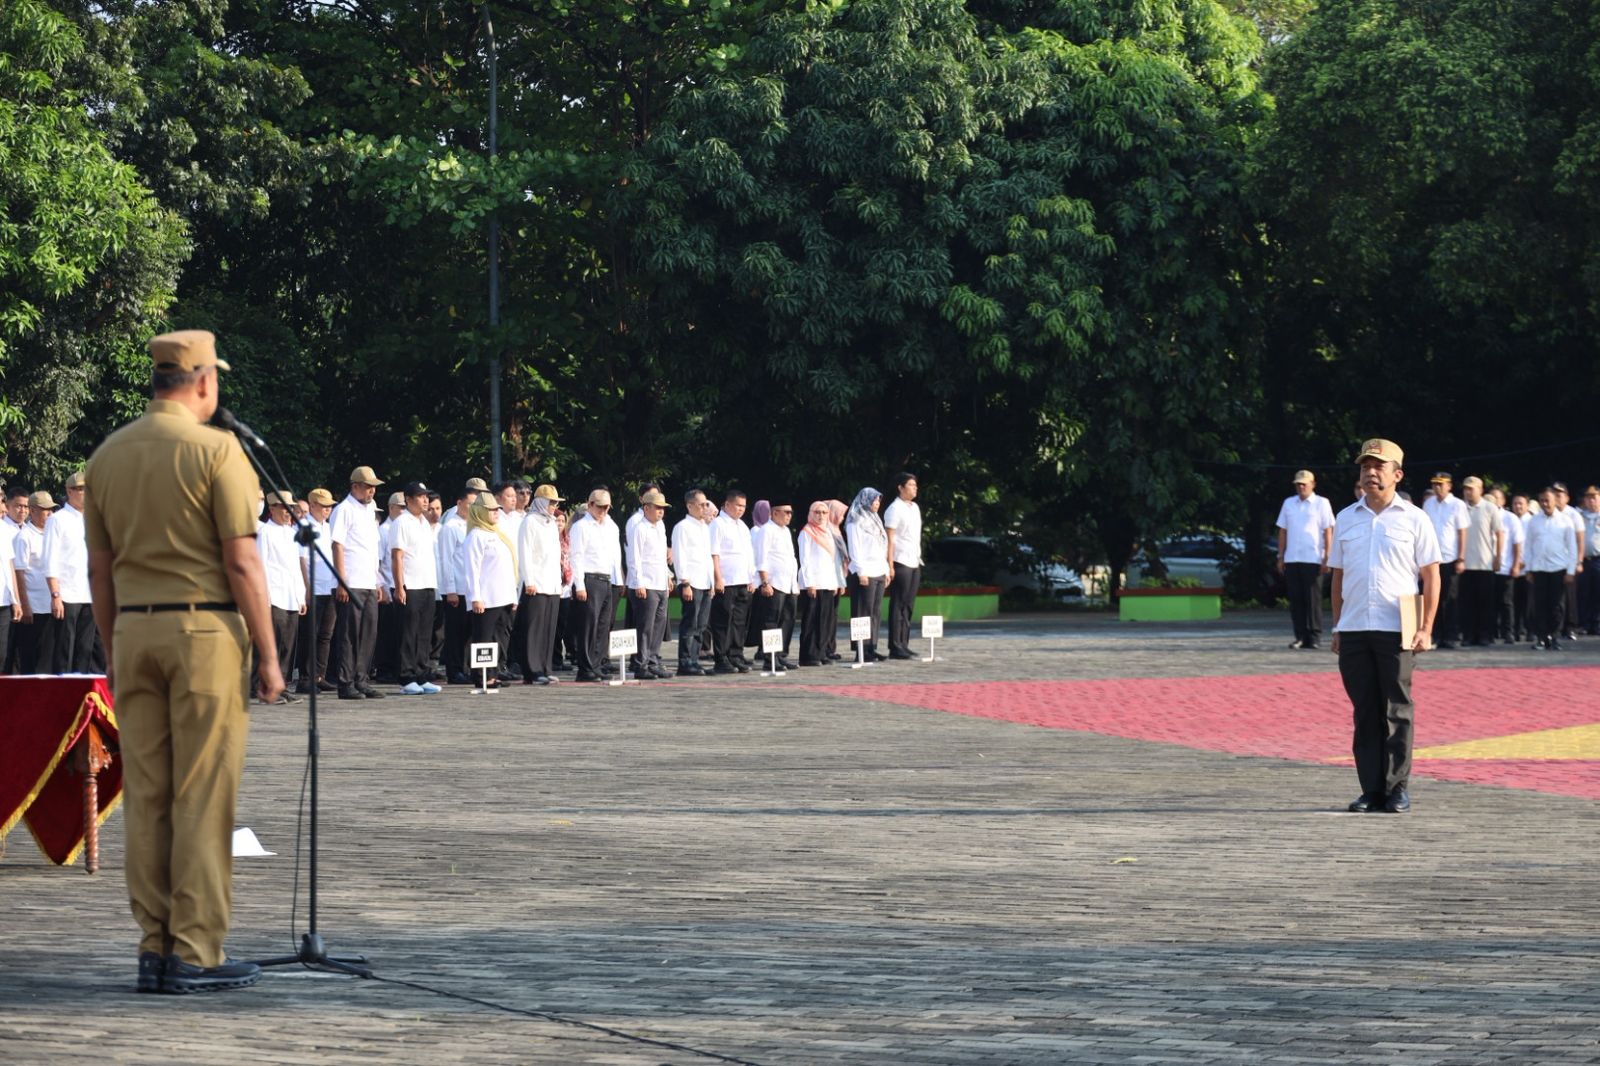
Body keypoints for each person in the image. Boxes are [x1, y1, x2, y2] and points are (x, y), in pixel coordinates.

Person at [83, 328, 280, 994]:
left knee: (148, 795)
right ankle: (195, 950)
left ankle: (154, 945)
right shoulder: (217, 450)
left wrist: (113, 648)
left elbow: (100, 570)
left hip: (134, 634)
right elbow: (242, 560)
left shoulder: (108, 456)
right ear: (202, 381)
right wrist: (271, 655)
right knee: (202, 792)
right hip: (203, 634)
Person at [1329, 438, 1440, 816]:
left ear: (1397, 474)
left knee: (1397, 709)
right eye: (1365, 467)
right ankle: (1371, 790)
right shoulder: (1345, 517)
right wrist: (1337, 626)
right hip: (1356, 626)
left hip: (1398, 627)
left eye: (1379, 467)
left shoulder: (1414, 518)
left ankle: (1397, 789)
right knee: (1364, 711)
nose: (1370, 473)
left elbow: (1431, 575)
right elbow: (1337, 578)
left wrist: (1426, 627)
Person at [330, 465, 386, 700]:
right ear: (355, 487)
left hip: (368, 580)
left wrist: (378, 581)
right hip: (351, 580)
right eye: (367, 487)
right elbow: (337, 545)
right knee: (349, 634)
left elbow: (372, 549)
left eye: (374, 487)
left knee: (368, 632)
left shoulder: (370, 509)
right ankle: (346, 681)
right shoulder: (344, 510)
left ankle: (361, 679)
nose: (372, 492)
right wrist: (342, 581)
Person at [42, 470, 100, 672]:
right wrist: (55, 594)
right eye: (82, 489)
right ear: (69, 491)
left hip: (90, 593)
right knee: (65, 648)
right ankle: (63, 695)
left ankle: (82, 696)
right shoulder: (58, 520)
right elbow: (49, 560)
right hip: (67, 594)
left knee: (85, 649)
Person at [1275, 470, 1335, 650]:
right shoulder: (1289, 503)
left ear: (1313, 484)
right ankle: (1300, 636)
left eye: (1304, 484)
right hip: (1293, 557)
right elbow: (1283, 531)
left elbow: (1328, 531)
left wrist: (1327, 557)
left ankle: (1315, 636)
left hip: (1313, 557)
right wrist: (1280, 556)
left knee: (1313, 599)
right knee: (1296, 599)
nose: (1301, 487)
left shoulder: (1321, 503)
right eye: (1298, 484)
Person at [568, 487, 623, 682]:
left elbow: (616, 555)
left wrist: (619, 579)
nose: (603, 511)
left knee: (603, 625)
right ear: (590, 505)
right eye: (599, 507)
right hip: (589, 578)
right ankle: (585, 667)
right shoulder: (581, 526)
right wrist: (579, 585)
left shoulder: (611, 526)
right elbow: (576, 557)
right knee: (588, 625)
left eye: (607, 507)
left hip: (607, 578)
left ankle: (597, 663)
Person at [462, 492, 517, 684]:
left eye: (497, 509)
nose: (496, 513)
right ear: (480, 512)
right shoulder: (475, 536)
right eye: (492, 510)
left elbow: (509, 567)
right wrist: (475, 597)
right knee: (483, 638)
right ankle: (480, 675)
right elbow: (471, 570)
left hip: (503, 596)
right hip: (486, 597)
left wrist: (513, 597)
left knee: (498, 637)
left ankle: (492, 674)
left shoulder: (497, 534)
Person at [391, 481, 441, 694]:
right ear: (408, 499)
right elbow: (397, 555)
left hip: (427, 583)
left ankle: (422, 675)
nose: (425, 500)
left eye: (426, 496)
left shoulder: (424, 522)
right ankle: (406, 677)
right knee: (408, 632)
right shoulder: (402, 522)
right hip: (410, 584)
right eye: (420, 497)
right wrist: (399, 585)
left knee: (424, 632)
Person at [256, 491, 305, 703]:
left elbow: (296, 568)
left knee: (288, 645)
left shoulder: (292, 532)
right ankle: (267, 688)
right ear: (272, 508)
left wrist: (301, 596)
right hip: (273, 594)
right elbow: (261, 566)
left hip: (291, 595)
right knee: (273, 644)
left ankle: (282, 685)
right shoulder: (265, 532)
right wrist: (264, 598)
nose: (288, 512)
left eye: (290, 507)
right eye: (283, 507)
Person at [515, 483, 564, 685]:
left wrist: (558, 582)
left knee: (548, 628)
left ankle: (545, 666)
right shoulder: (530, 522)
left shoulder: (551, 523)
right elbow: (525, 552)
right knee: (534, 629)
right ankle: (532, 669)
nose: (554, 506)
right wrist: (529, 580)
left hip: (551, 583)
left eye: (555, 503)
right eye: (551, 502)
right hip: (536, 582)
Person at [625, 488, 673, 679]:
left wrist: (668, 576)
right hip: (646, 583)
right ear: (646, 508)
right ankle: (640, 664)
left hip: (659, 582)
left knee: (658, 626)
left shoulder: (660, 527)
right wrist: (638, 583)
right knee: (645, 626)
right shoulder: (639, 527)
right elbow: (634, 558)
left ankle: (652, 660)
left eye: (663, 508)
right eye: (657, 507)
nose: (661, 511)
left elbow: (661, 557)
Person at [710, 489, 757, 674]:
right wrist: (718, 578)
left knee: (739, 621)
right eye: (738, 505)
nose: (741, 509)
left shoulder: (743, 526)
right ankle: (721, 657)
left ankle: (736, 654)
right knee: (723, 620)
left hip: (742, 580)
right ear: (727, 504)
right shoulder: (718, 524)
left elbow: (748, 554)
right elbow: (714, 554)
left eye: (744, 506)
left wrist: (750, 577)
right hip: (726, 580)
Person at [1525, 487, 1577, 651]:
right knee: (1540, 605)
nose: (1545, 503)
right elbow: (1528, 546)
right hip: (1539, 568)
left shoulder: (1565, 520)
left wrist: (1570, 571)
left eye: (1548, 500)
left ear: (1555, 500)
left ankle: (1554, 637)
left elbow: (1572, 547)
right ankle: (1541, 638)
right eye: (1542, 500)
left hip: (1558, 568)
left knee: (1557, 605)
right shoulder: (1534, 521)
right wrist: (1528, 569)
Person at [297, 487, 337, 695]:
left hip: (329, 586)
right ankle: (305, 678)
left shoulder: (328, 527)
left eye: (330, 506)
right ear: (312, 505)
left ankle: (319, 675)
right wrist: (306, 586)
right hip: (314, 587)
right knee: (309, 634)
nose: (327, 509)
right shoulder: (304, 525)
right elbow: (302, 559)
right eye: (323, 506)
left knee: (325, 635)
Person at [1422, 472, 1468, 648]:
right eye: (1434, 484)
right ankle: (1435, 635)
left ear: (1449, 486)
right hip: (1432, 559)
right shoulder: (1428, 503)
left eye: (1441, 484)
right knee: (1433, 597)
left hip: (1450, 557)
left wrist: (1461, 558)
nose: (1437, 487)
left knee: (1450, 598)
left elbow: (1462, 532)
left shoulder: (1457, 505)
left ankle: (1451, 635)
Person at [435, 484, 476, 684]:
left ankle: (465, 668)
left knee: (468, 632)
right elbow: (446, 560)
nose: (473, 508)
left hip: (469, 589)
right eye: (470, 504)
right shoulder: (450, 527)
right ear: (459, 503)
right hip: (456, 589)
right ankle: (455, 670)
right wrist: (450, 590)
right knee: (455, 632)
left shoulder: (474, 526)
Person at [671, 489, 714, 677]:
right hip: (691, 581)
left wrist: (712, 582)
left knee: (701, 625)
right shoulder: (682, 527)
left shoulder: (705, 527)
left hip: (705, 581)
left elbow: (707, 557)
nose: (705, 507)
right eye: (701, 504)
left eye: (706, 504)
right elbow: (680, 556)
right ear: (690, 506)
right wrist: (685, 582)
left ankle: (695, 660)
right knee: (690, 623)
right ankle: (685, 661)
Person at [1457, 476, 1503, 647]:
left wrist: (1498, 557)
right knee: (1467, 603)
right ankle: (1468, 635)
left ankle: (1485, 635)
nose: (1468, 491)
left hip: (1485, 563)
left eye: (1472, 488)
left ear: (1481, 490)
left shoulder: (1490, 508)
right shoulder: (1460, 507)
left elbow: (1500, 533)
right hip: (1465, 564)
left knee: (1485, 603)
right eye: (1466, 488)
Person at [798, 501, 845, 666]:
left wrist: (836, 582)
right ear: (811, 513)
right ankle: (808, 655)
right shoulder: (807, 532)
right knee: (811, 620)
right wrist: (810, 583)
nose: (821, 515)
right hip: (813, 583)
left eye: (824, 512)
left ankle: (821, 651)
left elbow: (833, 561)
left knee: (825, 620)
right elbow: (805, 560)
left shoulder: (828, 532)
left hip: (827, 582)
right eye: (817, 512)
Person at [846, 487, 890, 661]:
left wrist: (886, 569)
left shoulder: (875, 519)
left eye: (879, 500)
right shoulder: (855, 520)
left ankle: (872, 646)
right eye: (874, 500)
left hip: (878, 570)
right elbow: (854, 548)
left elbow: (882, 546)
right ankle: (861, 650)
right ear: (865, 500)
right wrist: (861, 571)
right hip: (864, 572)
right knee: (862, 612)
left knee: (875, 611)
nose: (877, 503)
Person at [11, 491, 53, 673]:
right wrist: (25, 605)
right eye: (45, 510)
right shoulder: (24, 537)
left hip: (51, 605)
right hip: (34, 608)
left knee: (47, 659)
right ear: (33, 511)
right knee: (31, 660)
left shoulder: (51, 534)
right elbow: (19, 573)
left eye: (52, 510)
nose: (50, 514)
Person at [883, 474, 923, 660]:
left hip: (914, 559)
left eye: (916, 485)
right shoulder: (894, 509)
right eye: (911, 485)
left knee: (908, 604)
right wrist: (889, 564)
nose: (915, 488)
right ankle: (895, 645)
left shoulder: (914, 508)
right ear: (901, 487)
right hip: (900, 560)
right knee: (898, 603)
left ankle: (904, 643)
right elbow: (889, 539)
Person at [755, 500, 799, 669]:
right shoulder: (766, 530)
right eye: (786, 512)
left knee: (787, 620)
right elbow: (762, 558)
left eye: (790, 513)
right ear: (774, 513)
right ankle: (770, 658)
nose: (789, 516)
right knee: (771, 621)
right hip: (774, 583)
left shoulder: (786, 531)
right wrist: (765, 582)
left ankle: (781, 655)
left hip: (788, 584)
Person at [1490, 487, 1525, 644]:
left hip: (1506, 566)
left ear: (1503, 501)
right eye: (1491, 497)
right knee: (1490, 602)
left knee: (1506, 602)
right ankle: (1491, 632)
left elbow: (1518, 543)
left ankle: (1508, 632)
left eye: (1498, 498)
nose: (1494, 501)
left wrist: (1516, 564)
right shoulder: (1484, 515)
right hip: (1487, 567)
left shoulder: (1510, 518)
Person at [1551, 482, 1585, 641]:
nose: (1557, 497)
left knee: (1570, 596)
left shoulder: (1573, 514)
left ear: (1567, 497)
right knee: (1556, 597)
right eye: (1554, 494)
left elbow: (1580, 540)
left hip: (1569, 561)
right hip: (1553, 561)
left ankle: (1571, 627)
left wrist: (1578, 561)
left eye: (1560, 494)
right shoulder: (1548, 513)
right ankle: (1555, 627)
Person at [825, 499, 851, 661]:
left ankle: (830, 647)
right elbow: (830, 560)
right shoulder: (826, 530)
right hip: (828, 579)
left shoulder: (836, 530)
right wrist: (834, 581)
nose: (842, 518)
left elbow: (841, 559)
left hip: (837, 578)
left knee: (832, 616)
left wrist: (841, 581)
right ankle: (824, 648)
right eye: (840, 514)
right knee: (826, 616)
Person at [1578, 486, 1600, 634]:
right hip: (1584, 559)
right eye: (1588, 497)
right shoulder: (1579, 516)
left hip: (1599, 559)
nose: (1591, 500)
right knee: (1584, 592)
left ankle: (1597, 623)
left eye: (1594, 497)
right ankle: (1585, 624)